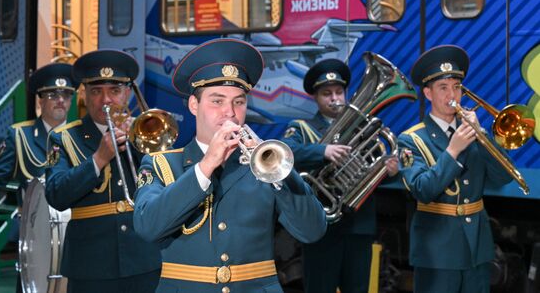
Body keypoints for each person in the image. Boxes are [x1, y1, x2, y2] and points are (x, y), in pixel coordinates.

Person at [133, 38, 327, 293]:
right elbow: (148, 227)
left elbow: (312, 231)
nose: (230, 112)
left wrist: (279, 173)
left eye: (239, 101)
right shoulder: (161, 163)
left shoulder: (265, 162)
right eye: (217, 101)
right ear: (194, 105)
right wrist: (206, 166)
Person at [397, 45, 513, 293]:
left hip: (477, 247)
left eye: (457, 87)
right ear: (428, 93)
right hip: (437, 251)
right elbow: (422, 190)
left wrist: (483, 137)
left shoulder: (473, 134)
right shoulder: (411, 140)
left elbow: (503, 177)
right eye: (443, 87)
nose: (453, 94)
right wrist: (452, 151)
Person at [45, 49, 161, 293]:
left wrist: (141, 145)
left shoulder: (144, 133)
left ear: (128, 93)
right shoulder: (63, 138)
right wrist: (98, 158)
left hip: (144, 258)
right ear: (84, 95)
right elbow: (56, 195)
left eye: (115, 91)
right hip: (90, 265)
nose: (106, 100)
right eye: (97, 91)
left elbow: (166, 186)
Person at [281, 58, 399, 293]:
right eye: (327, 93)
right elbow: (284, 153)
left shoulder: (360, 128)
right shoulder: (303, 128)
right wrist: (322, 151)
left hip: (359, 224)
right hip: (321, 226)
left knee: (358, 287)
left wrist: (389, 169)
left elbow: (371, 167)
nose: (335, 98)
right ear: (315, 98)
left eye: (339, 92)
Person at [0, 62, 77, 293]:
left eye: (66, 95)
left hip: (76, 235)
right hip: (36, 237)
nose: (60, 100)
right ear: (40, 100)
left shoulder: (82, 136)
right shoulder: (20, 135)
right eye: (53, 94)